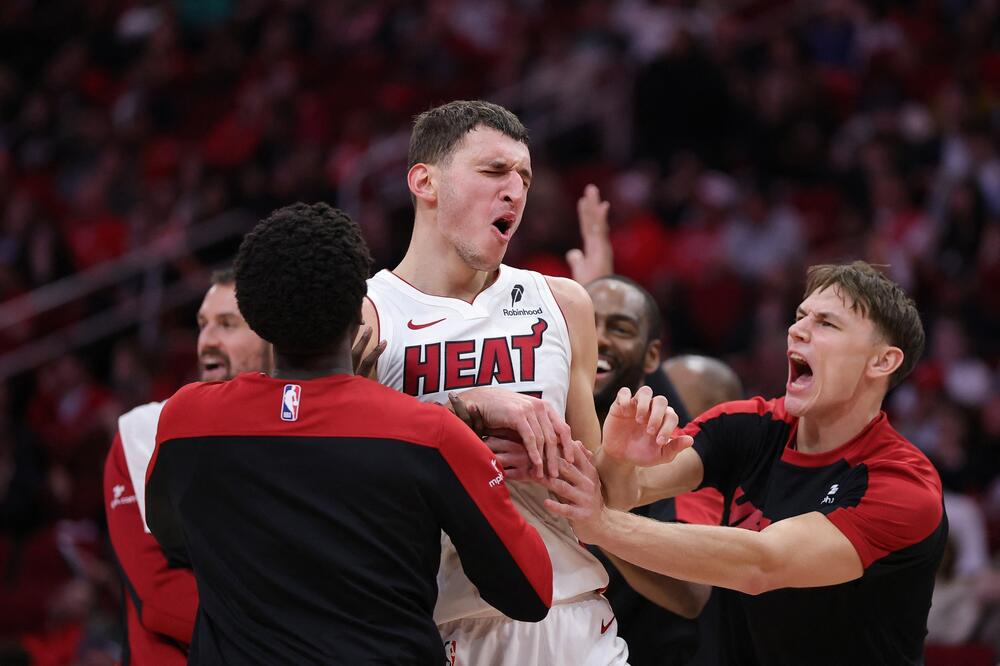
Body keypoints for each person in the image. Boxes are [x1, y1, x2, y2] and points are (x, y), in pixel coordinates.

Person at [145, 203, 554, 665]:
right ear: (359, 308)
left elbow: (172, 537)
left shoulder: (185, 421)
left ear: (253, 313)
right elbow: (530, 592)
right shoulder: (432, 434)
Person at [357, 100, 678, 665]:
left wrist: (620, 461)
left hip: (569, 609)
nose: (516, 190)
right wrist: (466, 408)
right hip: (434, 623)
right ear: (424, 181)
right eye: (494, 171)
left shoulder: (563, 302)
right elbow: (346, 487)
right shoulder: (367, 312)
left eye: (524, 177)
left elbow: (606, 500)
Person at [546, 261, 948, 665]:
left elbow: (761, 565)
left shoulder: (901, 484)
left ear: (882, 361)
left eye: (826, 324)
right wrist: (617, 458)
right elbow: (623, 493)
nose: (797, 330)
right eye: (800, 316)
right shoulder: (749, 424)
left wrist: (602, 525)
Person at [103, 268, 272, 664]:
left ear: (272, 336)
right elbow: (160, 594)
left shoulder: (300, 432)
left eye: (227, 325)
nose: (207, 341)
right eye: (202, 325)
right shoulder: (143, 433)